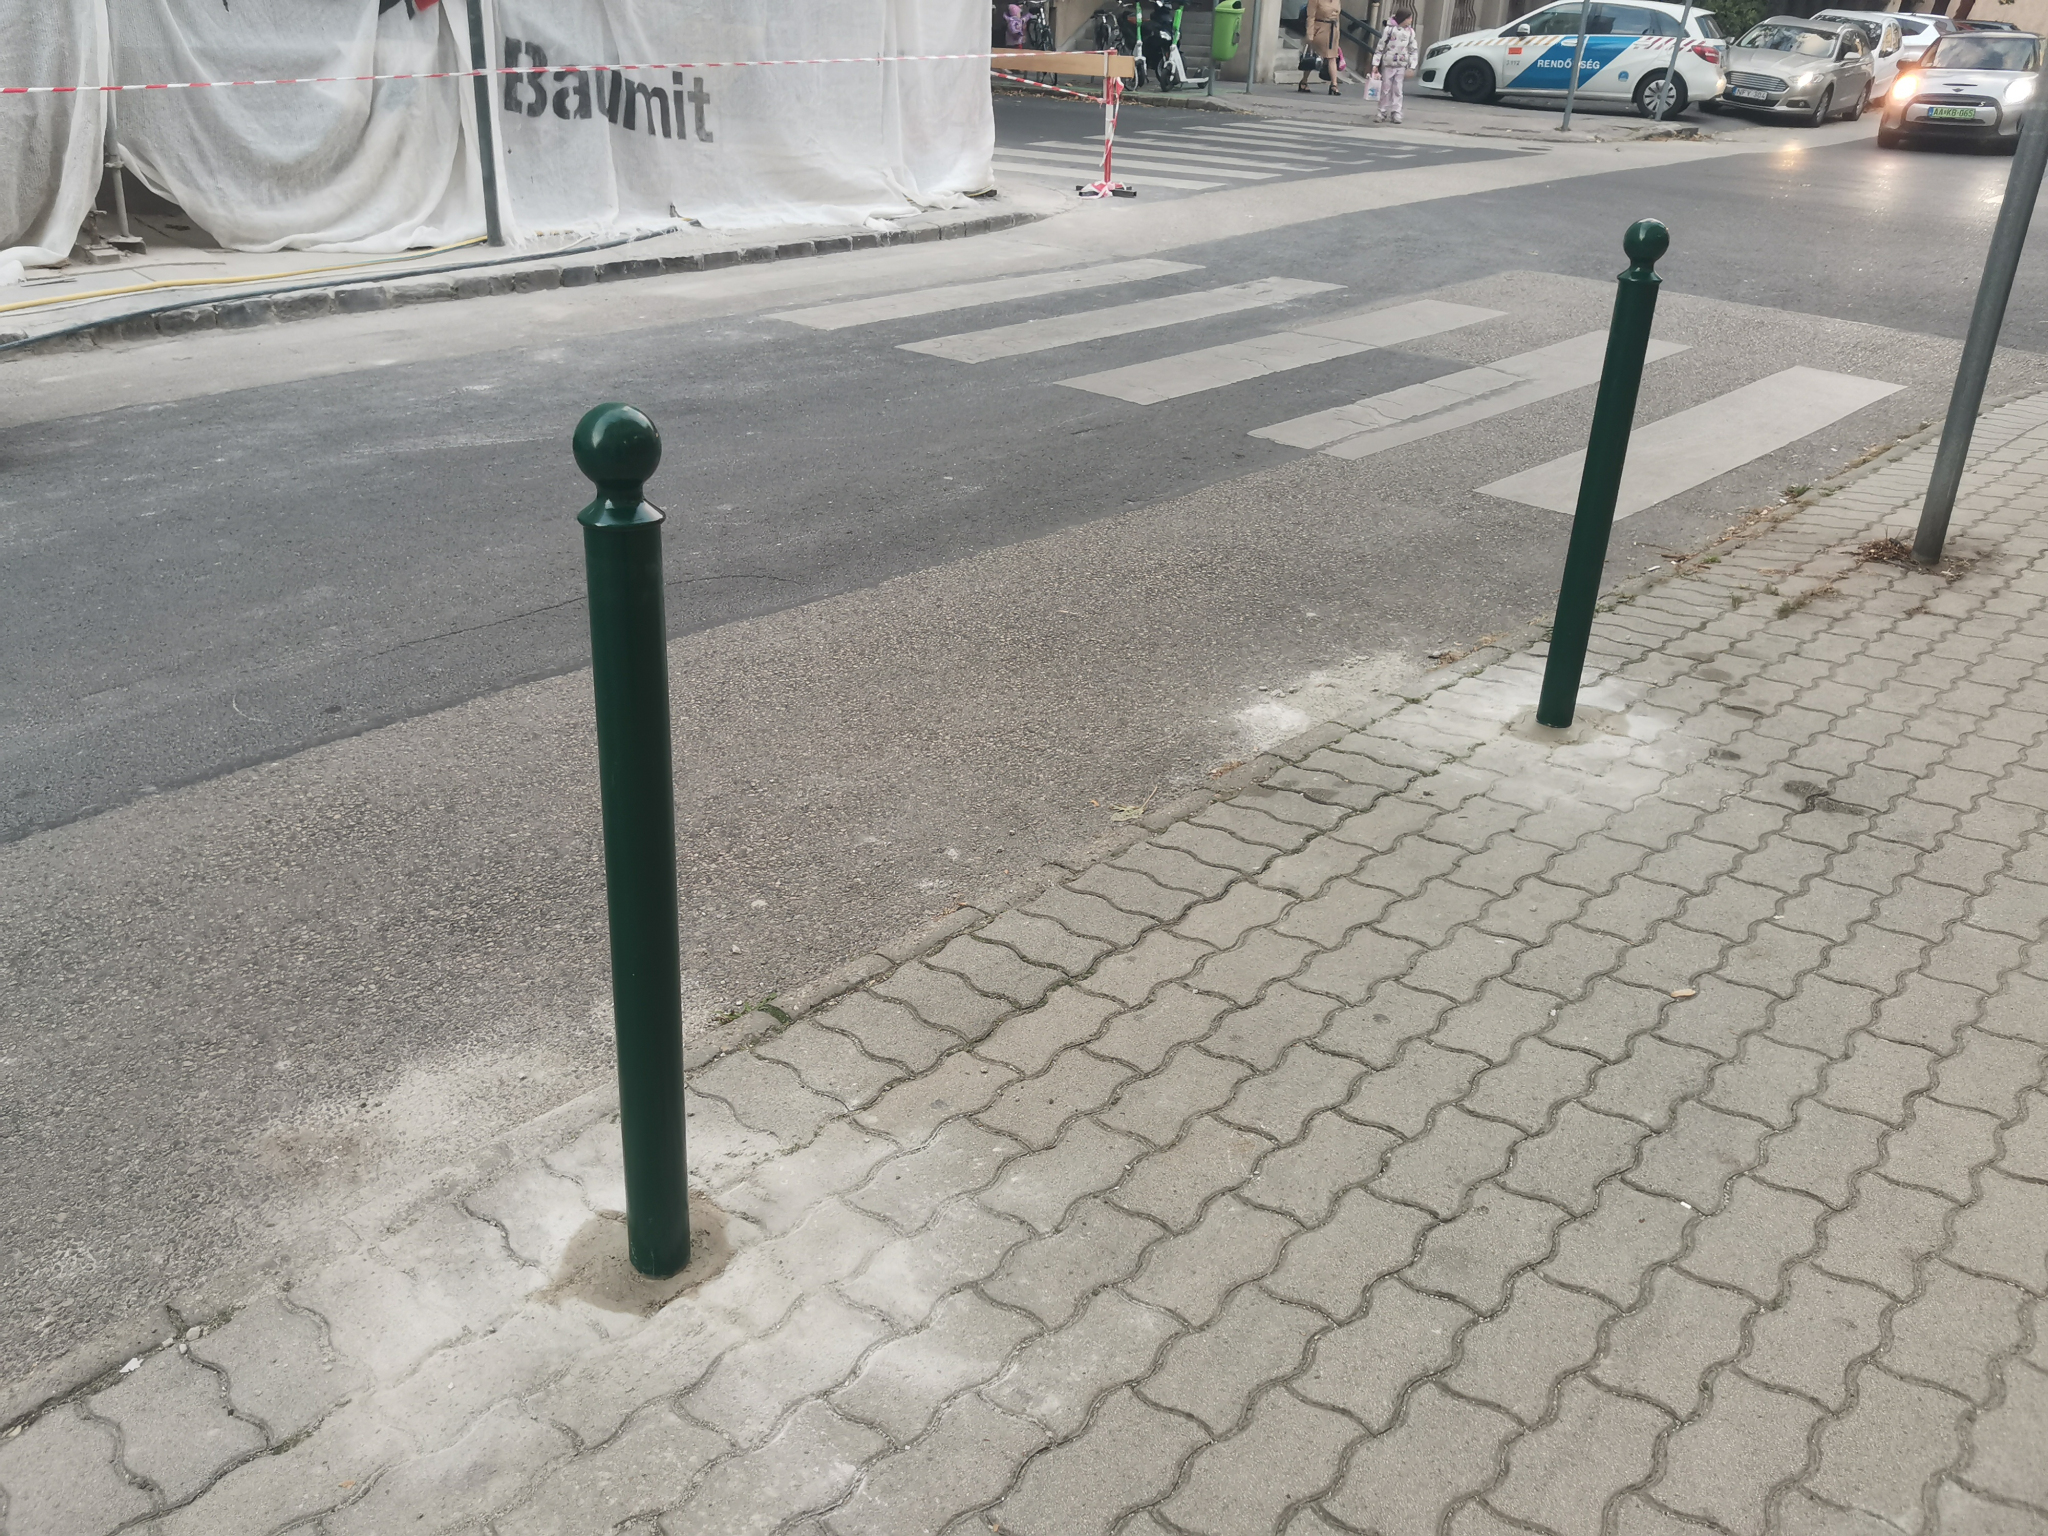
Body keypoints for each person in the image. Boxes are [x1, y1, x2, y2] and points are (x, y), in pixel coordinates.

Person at [1372, 7, 1417, 121]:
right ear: (1403, 18)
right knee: (1385, 88)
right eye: (1409, 18)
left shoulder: (1410, 32)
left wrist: (1412, 66)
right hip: (1388, 63)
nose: (1411, 20)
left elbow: (1413, 50)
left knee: (1398, 89)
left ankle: (1396, 111)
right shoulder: (1389, 30)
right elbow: (1380, 47)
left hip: (1401, 64)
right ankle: (1382, 111)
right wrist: (1375, 64)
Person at [1299, 0, 1344, 94]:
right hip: (1319, 29)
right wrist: (1310, 35)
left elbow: (1337, 18)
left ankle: (1334, 84)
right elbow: (1310, 17)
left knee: (1332, 57)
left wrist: (1337, 35)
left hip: (1332, 31)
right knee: (1312, 56)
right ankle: (1304, 80)